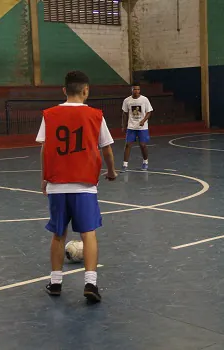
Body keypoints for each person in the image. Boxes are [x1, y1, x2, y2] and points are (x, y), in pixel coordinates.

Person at [36, 71, 117, 302]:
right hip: (84, 185)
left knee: (58, 235)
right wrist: (111, 171)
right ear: (86, 90)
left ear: (64, 90)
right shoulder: (95, 115)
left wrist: (45, 177)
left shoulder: (50, 114)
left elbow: (45, 148)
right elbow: (107, 149)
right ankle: (90, 283)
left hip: (57, 184)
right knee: (88, 234)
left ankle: (55, 282)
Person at [121, 82, 153, 172]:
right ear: (131, 90)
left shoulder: (144, 100)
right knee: (128, 145)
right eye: (135, 89)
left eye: (138, 89)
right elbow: (124, 113)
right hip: (131, 126)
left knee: (143, 145)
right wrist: (123, 125)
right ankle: (125, 164)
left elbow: (149, 111)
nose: (136, 91)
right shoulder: (127, 101)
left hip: (142, 127)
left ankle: (145, 162)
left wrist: (143, 121)